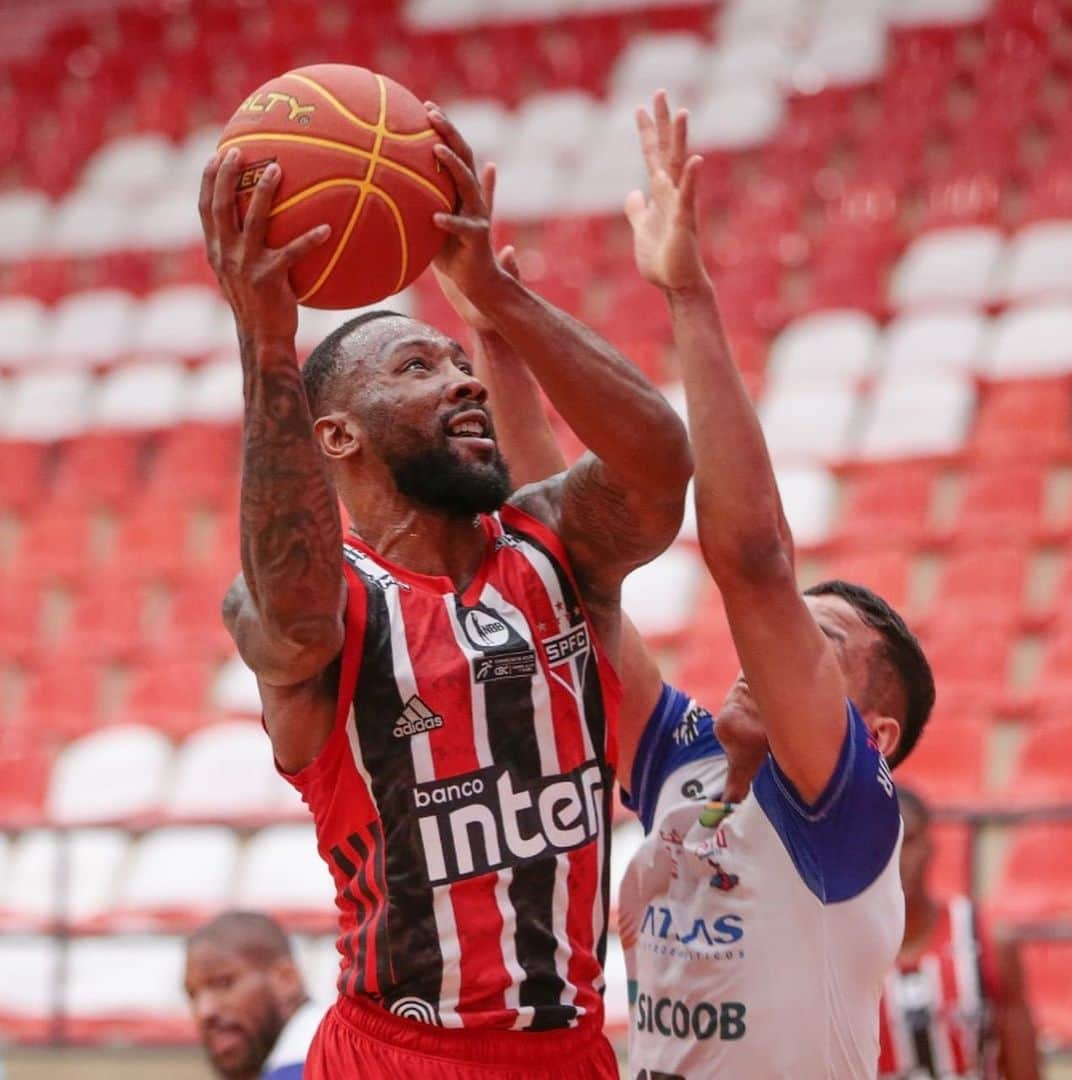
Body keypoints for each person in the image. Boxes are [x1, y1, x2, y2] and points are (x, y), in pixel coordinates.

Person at [199, 98, 692, 1079]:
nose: (463, 382)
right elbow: (292, 615)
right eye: (419, 366)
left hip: (570, 1048)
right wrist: (265, 343)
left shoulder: (553, 546)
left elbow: (658, 467)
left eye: (463, 366)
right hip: (397, 1052)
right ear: (334, 434)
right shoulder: (325, 599)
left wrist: (496, 302)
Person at [471, 92, 937, 1079]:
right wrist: (493, 335)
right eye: (789, 635)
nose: (773, 649)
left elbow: (757, 565)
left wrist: (686, 295)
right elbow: (560, 565)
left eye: (819, 646)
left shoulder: (845, 810)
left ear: (876, 737)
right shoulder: (682, 757)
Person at [878, 787, 1041, 1079]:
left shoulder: (988, 940)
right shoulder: (843, 956)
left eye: (909, 841)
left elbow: (1024, 1068)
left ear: (930, 845)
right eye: (883, 842)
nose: (897, 857)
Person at [184, 911, 324, 1080]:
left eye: (224, 983)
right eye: (192, 995)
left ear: (287, 979)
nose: (205, 1011)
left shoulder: (320, 1065)